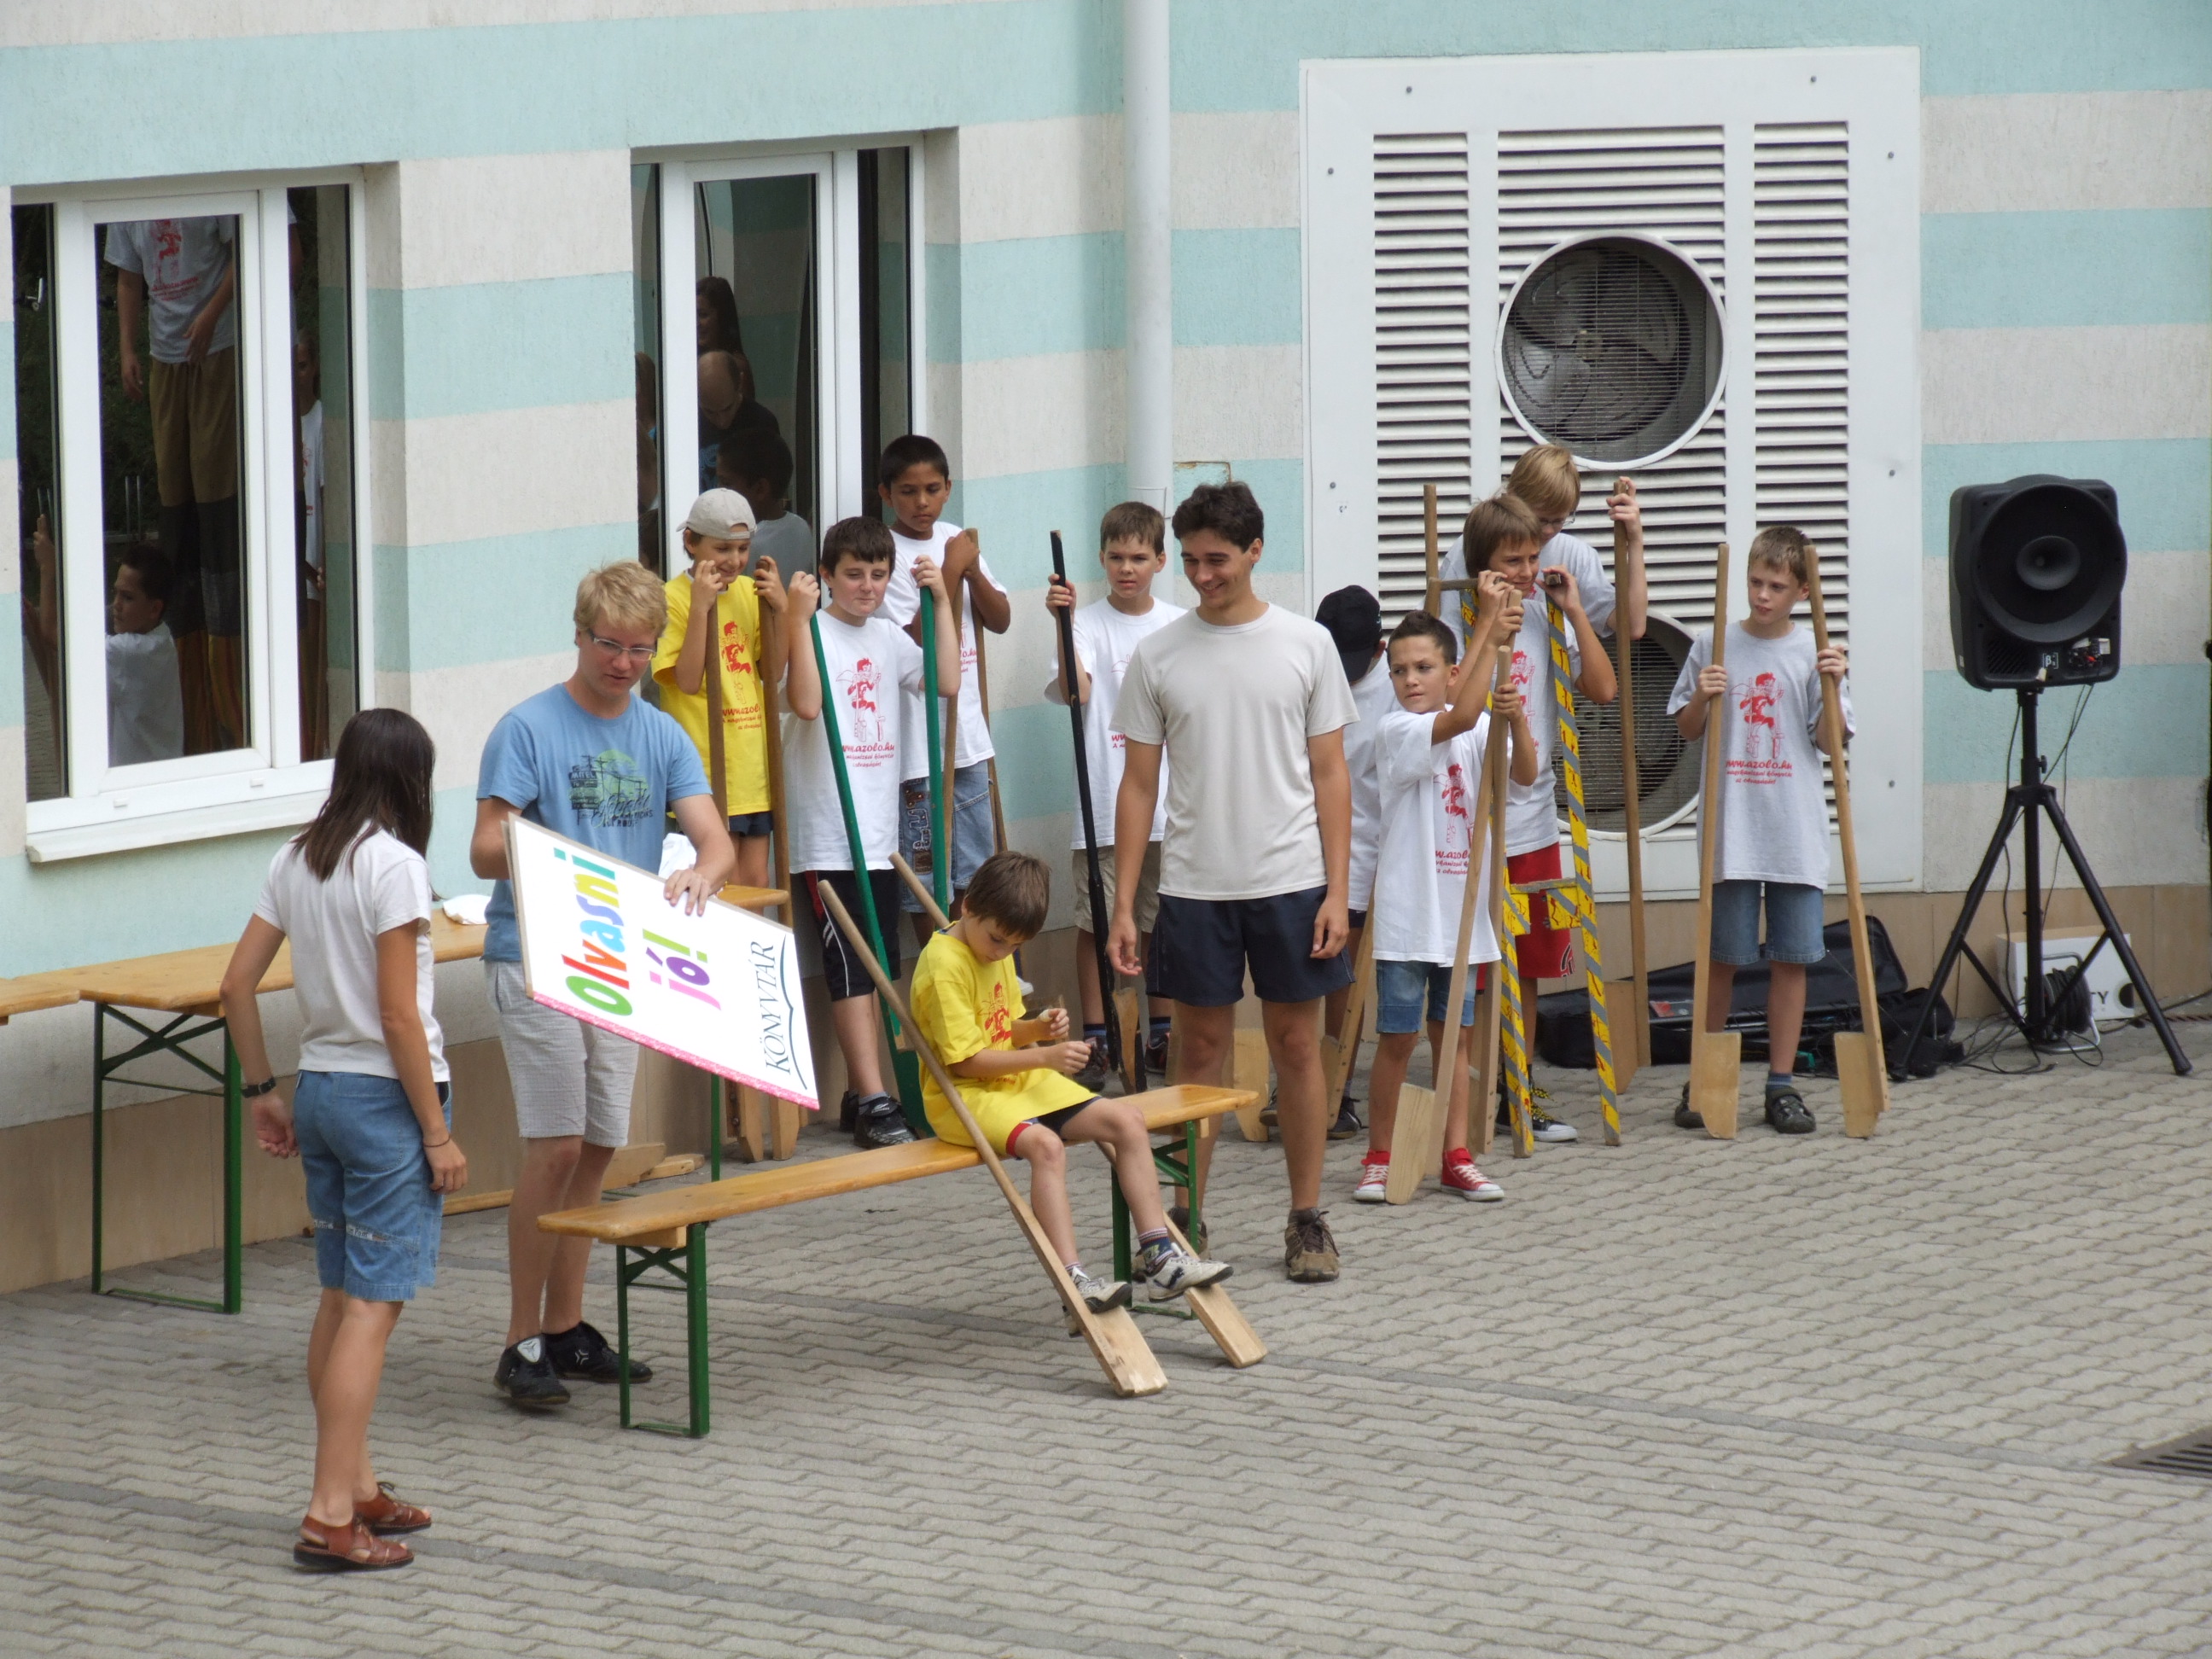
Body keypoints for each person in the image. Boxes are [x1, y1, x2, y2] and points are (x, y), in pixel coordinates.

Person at [470, 562, 736, 1408]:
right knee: (552, 1146)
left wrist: (701, 873)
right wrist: (558, 859)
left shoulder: (662, 734)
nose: (623, 663)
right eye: (609, 646)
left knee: (595, 1147)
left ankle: (567, 1327)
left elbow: (717, 842)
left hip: (622, 963)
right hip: (536, 955)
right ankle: (520, 1341)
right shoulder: (527, 728)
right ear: (579, 636)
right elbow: (483, 848)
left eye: (639, 650)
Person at [218, 708, 463, 1572]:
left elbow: (235, 986)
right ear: (409, 779)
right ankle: (329, 1516)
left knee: (338, 1295)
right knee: (371, 1307)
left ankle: (355, 1486)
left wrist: (261, 1092)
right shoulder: (394, 865)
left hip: (319, 1090)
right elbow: (399, 1014)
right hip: (385, 1100)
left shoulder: (297, 856)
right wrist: (436, 1133)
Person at [1109, 481, 1358, 1284]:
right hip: (1193, 886)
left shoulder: (1307, 644)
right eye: (1189, 561)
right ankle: (1186, 1217)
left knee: (1298, 1047)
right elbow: (1138, 786)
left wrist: (1337, 891)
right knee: (1199, 1054)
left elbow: (1332, 775)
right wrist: (1124, 905)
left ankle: (1307, 1217)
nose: (1202, 575)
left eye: (1216, 559)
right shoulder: (1159, 654)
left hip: (1292, 881)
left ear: (1255, 551)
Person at [911, 850, 1232, 1308]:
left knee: (1127, 1121)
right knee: (1047, 1146)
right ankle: (1073, 1280)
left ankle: (1162, 1260)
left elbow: (1002, 1031)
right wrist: (1045, 1057)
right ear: (968, 908)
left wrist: (1037, 1030)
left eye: (1013, 947)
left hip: (1011, 1080)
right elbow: (966, 1063)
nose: (1001, 952)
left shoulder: (994, 940)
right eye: (997, 940)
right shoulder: (944, 966)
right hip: (961, 1095)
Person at [1439, 448, 1644, 1144]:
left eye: (1537, 553)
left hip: (1532, 812)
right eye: (1516, 558)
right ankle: (1471, 1091)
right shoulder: (1466, 601)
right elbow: (1446, 698)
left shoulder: (1552, 597)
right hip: (1472, 813)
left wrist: (1574, 610)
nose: (1530, 566)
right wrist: (1484, 622)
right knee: (1473, 959)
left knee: (1528, 959)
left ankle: (1518, 1087)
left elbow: (1604, 687)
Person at [1352, 602, 1540, 1203]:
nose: (1410, 680)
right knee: (1398, 1039)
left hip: (1462, 915)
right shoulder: (1397, 729)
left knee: (1454, 1040)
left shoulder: (1479, 726)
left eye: (1424, 668)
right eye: (1400, 670)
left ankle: (1455, 1155)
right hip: (1411, 916)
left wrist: (1517, 720)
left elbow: (1525, 775)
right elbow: (1458, 718)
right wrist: (1490, 627)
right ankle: (1379, 1157)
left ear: (1452, 673)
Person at [783, 515, 960, 1148]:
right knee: (852, 966)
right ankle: (875, 1096)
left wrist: (943, 602)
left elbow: (945, 682)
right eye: (853, 574)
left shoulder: (888, 637)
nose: (866, 586)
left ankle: (864, 1092)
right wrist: (797, 621)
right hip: (831, 834)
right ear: (826, 576)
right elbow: (807, 705)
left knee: (882, 962)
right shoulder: (812, 631)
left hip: (880, 835)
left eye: (878, 575)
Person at [1667, 526, 1850, 1136]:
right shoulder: (1714, 643)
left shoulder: (1813, 650)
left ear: (1803, 591)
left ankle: (1781, 1084)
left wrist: (1833, 686)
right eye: (1755, 582)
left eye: (1776, 586)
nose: (1762, 595)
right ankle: (1705, 1077)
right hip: (1733, 832)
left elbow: (1829, 743)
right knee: (1722, 958)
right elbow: (1687, 729)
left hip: (1793, 833)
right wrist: (1702, 695)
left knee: (1792, 960)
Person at [1042, 500, 1183, 1091]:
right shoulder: (1086, 623)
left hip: (1170, 804)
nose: (1128, 568)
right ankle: (1098, 1034)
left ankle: (1161, 1029)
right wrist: (1062, 624)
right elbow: (1076, 692)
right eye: (1118, 557)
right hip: (1104, 799)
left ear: (1160, 561)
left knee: (1160, 919)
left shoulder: (1178, 625)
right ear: (1101, 558)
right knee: (1096, 920)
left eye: (1139, 558)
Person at [107, 216, 245, 754]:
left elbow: (247, 251)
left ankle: (225, 627)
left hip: (216, 344)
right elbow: (128, 279)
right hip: (165, 352)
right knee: (174, 495)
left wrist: (211, 314)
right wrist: (127, 349)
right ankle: (181, 620)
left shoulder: (207, 204)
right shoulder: (126, 203)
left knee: (214, 487)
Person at [876, 434, 1009, 943]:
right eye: (908, 491)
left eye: (932, 489)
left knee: (977, 873)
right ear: (886, 493)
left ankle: (978, 964)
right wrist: (949, 571)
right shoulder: (885, 554)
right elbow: (914, 639)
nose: (922, 502)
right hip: (918, 743)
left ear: (949, 488)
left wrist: (970, 571)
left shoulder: (956, 538)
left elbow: (1000, 619)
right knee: (928, 876)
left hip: (968, 737)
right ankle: (940, 959)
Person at [653, 489, 788, 890]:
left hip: (752, 765)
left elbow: (772, 673)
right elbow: (687, 680)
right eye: (722, 548)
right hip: (706, 767)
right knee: (723, 882)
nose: (735, 560)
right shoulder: (671, 598)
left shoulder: (749, 592)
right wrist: (700, 608)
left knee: (756, 880)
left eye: (743, 549)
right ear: (690, 542)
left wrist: (781, 610)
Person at [1313, 585, 1394, 1139]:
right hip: (1316, 848)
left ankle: (1340, 1086)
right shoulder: (1310, 678)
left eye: (1352, 663)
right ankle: (1325, 1085)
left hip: (1380, 850)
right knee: (1328, 972)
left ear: (1379, 650)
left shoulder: (1398, 688)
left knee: (1361, 974)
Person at [27, 524, 184, 769]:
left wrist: (48, 568)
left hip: (135, 785)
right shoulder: (162, 638)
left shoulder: (129, 653)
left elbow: (51, 632)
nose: (116, 605)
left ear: (155, 608)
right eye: (116, 593)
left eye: (127, 597)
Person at [718, 428, 815, 573]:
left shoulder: (746, 540)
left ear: (760, 489)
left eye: (726, 483)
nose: (719, 491)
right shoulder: (800, 527)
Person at [697, 348, 777, 490]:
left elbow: (770, 491)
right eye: (710, 412)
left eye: (727, 409)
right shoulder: (687, 422)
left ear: (740, 383)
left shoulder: (762, 423)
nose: (721, 421)